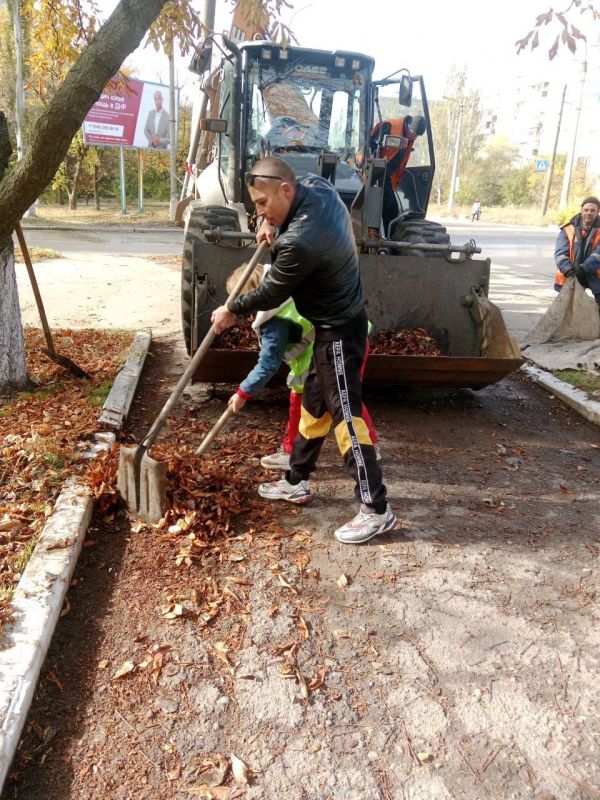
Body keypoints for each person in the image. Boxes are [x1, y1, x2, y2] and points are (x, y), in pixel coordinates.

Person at [212, 157, 395, 544]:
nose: (261, 212)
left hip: (340, 334)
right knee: (313, 409)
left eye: (263, 204)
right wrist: (268, 223)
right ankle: (297, 481)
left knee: (347, 419)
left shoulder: (299, 242)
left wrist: (231, 309)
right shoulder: (317, 187)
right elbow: (285, 210)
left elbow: (271, 291)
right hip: (327, 330)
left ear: (285, 190)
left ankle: (376, 508)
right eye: (256, 206)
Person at [224, 262, 381, 471]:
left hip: (337, 348)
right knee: (339, 398)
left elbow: (268, 364)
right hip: (351, 336)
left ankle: (296, 454)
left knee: (339, 401)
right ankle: (367, 447)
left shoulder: (275, 321)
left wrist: (243, 393)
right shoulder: (288, 288)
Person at [369, 115, 426, 236]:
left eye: (417, 135)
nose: (414, 137)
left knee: (392, 209)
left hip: (387, 176)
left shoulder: (408, 137)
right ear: (409, 126)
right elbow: (371, 143)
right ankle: (387, 239)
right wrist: (375, 163)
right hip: (375, 173)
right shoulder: (389, 127)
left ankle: (388, 239)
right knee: (390, 207)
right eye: (414, 133)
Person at [554, 196, 600, 306]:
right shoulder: (568, 229)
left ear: (598, 212)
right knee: (567, 306)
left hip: (594, 273)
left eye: (592, 210)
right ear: (581, 210)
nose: (589, 213)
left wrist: (584, 268)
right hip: (571, 272)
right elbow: (560, 253)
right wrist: (568, 269)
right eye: (586, 210)